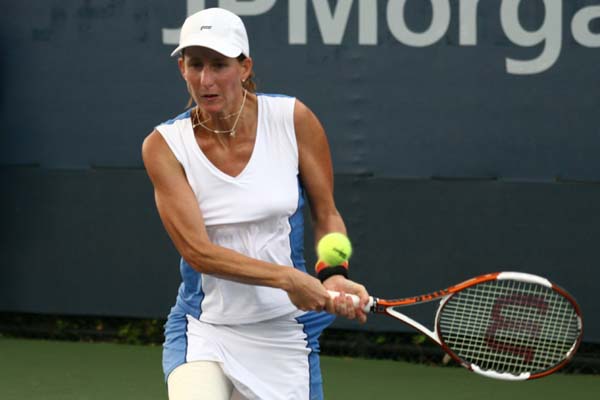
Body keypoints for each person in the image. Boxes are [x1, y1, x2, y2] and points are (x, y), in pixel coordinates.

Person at [142, 7, 370, 400]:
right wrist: (287, 279)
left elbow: (327, 213)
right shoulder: (164, 146)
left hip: (285, 331)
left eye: (219, 65)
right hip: (206, 327)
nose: (206, 80)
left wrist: (333, 273)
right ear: (182, 68)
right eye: (195, 65)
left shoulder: (292, 119)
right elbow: (198, 252)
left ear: (245, 67)